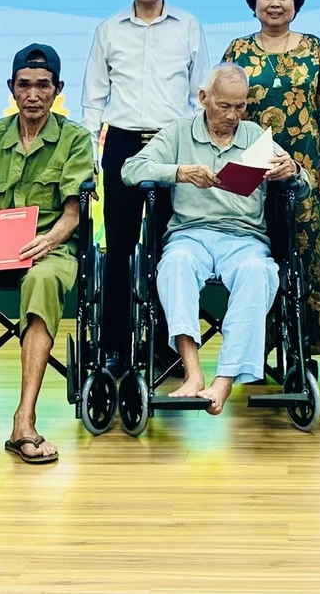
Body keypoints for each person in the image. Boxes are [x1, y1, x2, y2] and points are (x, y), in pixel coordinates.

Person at [121, 64, 299, 414]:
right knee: (175, 265)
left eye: (240, 106)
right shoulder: (179, 132)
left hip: (244, 238)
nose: (233, 115)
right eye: (224, 106)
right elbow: (131, 170)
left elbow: (301, 184)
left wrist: (292, 169)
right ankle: (193, 373)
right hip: (191, 235)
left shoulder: (254, 136)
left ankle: (224, 381)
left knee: (259, 273)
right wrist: (179, 172)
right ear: (204, 98)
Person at [0, 44, 96, 464]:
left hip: (51, 246)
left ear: (58, 89)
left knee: (41, 280)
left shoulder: (75, 139)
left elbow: (73, 215)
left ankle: (23, 419)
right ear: (11, 87)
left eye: (43, 85)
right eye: (24, 85)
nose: (33, 94)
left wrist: (48, 242)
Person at [84, 0, 206, 369]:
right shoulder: (109, 29)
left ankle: (165, 345)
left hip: (172, 146)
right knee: (119, 247)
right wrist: (89, 158)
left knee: (168, 248)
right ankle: (114, 347)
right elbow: (93, 99)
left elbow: (200, 96)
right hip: (121, 144)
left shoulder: (188, 26)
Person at [222, 0, 320, 353]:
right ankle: (257, 346)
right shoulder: (238, 51)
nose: (275, 3)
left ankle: (304, 346)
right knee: (256, 252)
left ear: (296, 3)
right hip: (250, 170)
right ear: (254, 2)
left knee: (305, 252)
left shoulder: (314, 49)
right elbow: (222, 111)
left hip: (305, 170)